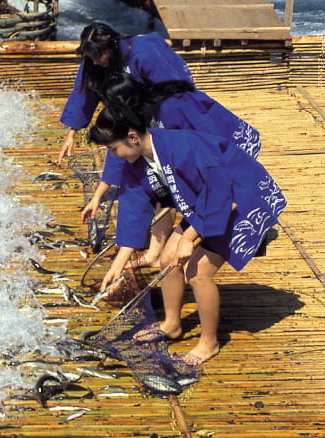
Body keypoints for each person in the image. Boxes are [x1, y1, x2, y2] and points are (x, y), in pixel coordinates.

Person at [89, 104, 286, 366]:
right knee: (167, 258)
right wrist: (118, 264)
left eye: (114, 149)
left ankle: (209, 342)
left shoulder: (183, 146)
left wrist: (188, 237)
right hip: (203, 204)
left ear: (133, 137)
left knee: (197, 271)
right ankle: (172, 324)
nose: (114, 156)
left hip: (241, 198)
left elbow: (222, 195)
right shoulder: (139, 160)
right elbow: (134, 207)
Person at [81, 73, 263, 269]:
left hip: (227, 157)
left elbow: (209, 150)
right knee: (160, 191)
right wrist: (97, 196)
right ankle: (156, 254)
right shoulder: (132, 128)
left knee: (205, 213)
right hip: (192, 169)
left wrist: (190, 234)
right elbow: (121, 164)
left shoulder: (171, 109)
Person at [57, 22, 194, 163]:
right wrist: (71, 134)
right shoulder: (94, 62)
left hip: (161, 104)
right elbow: (83, 94)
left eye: (98, 56)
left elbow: (171, 90)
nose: (95, 62)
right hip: (129, 114)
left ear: (113, 46)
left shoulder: (145, 53)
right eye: (91, 58)